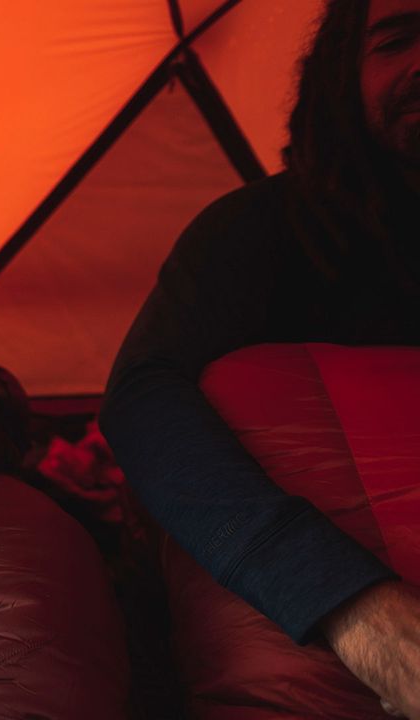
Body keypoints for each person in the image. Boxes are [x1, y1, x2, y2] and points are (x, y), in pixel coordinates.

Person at [100, 0, 420, 714]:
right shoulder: (261, 234)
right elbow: (143, 402)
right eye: (398, 38)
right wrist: (351, 605)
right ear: (343, 75)